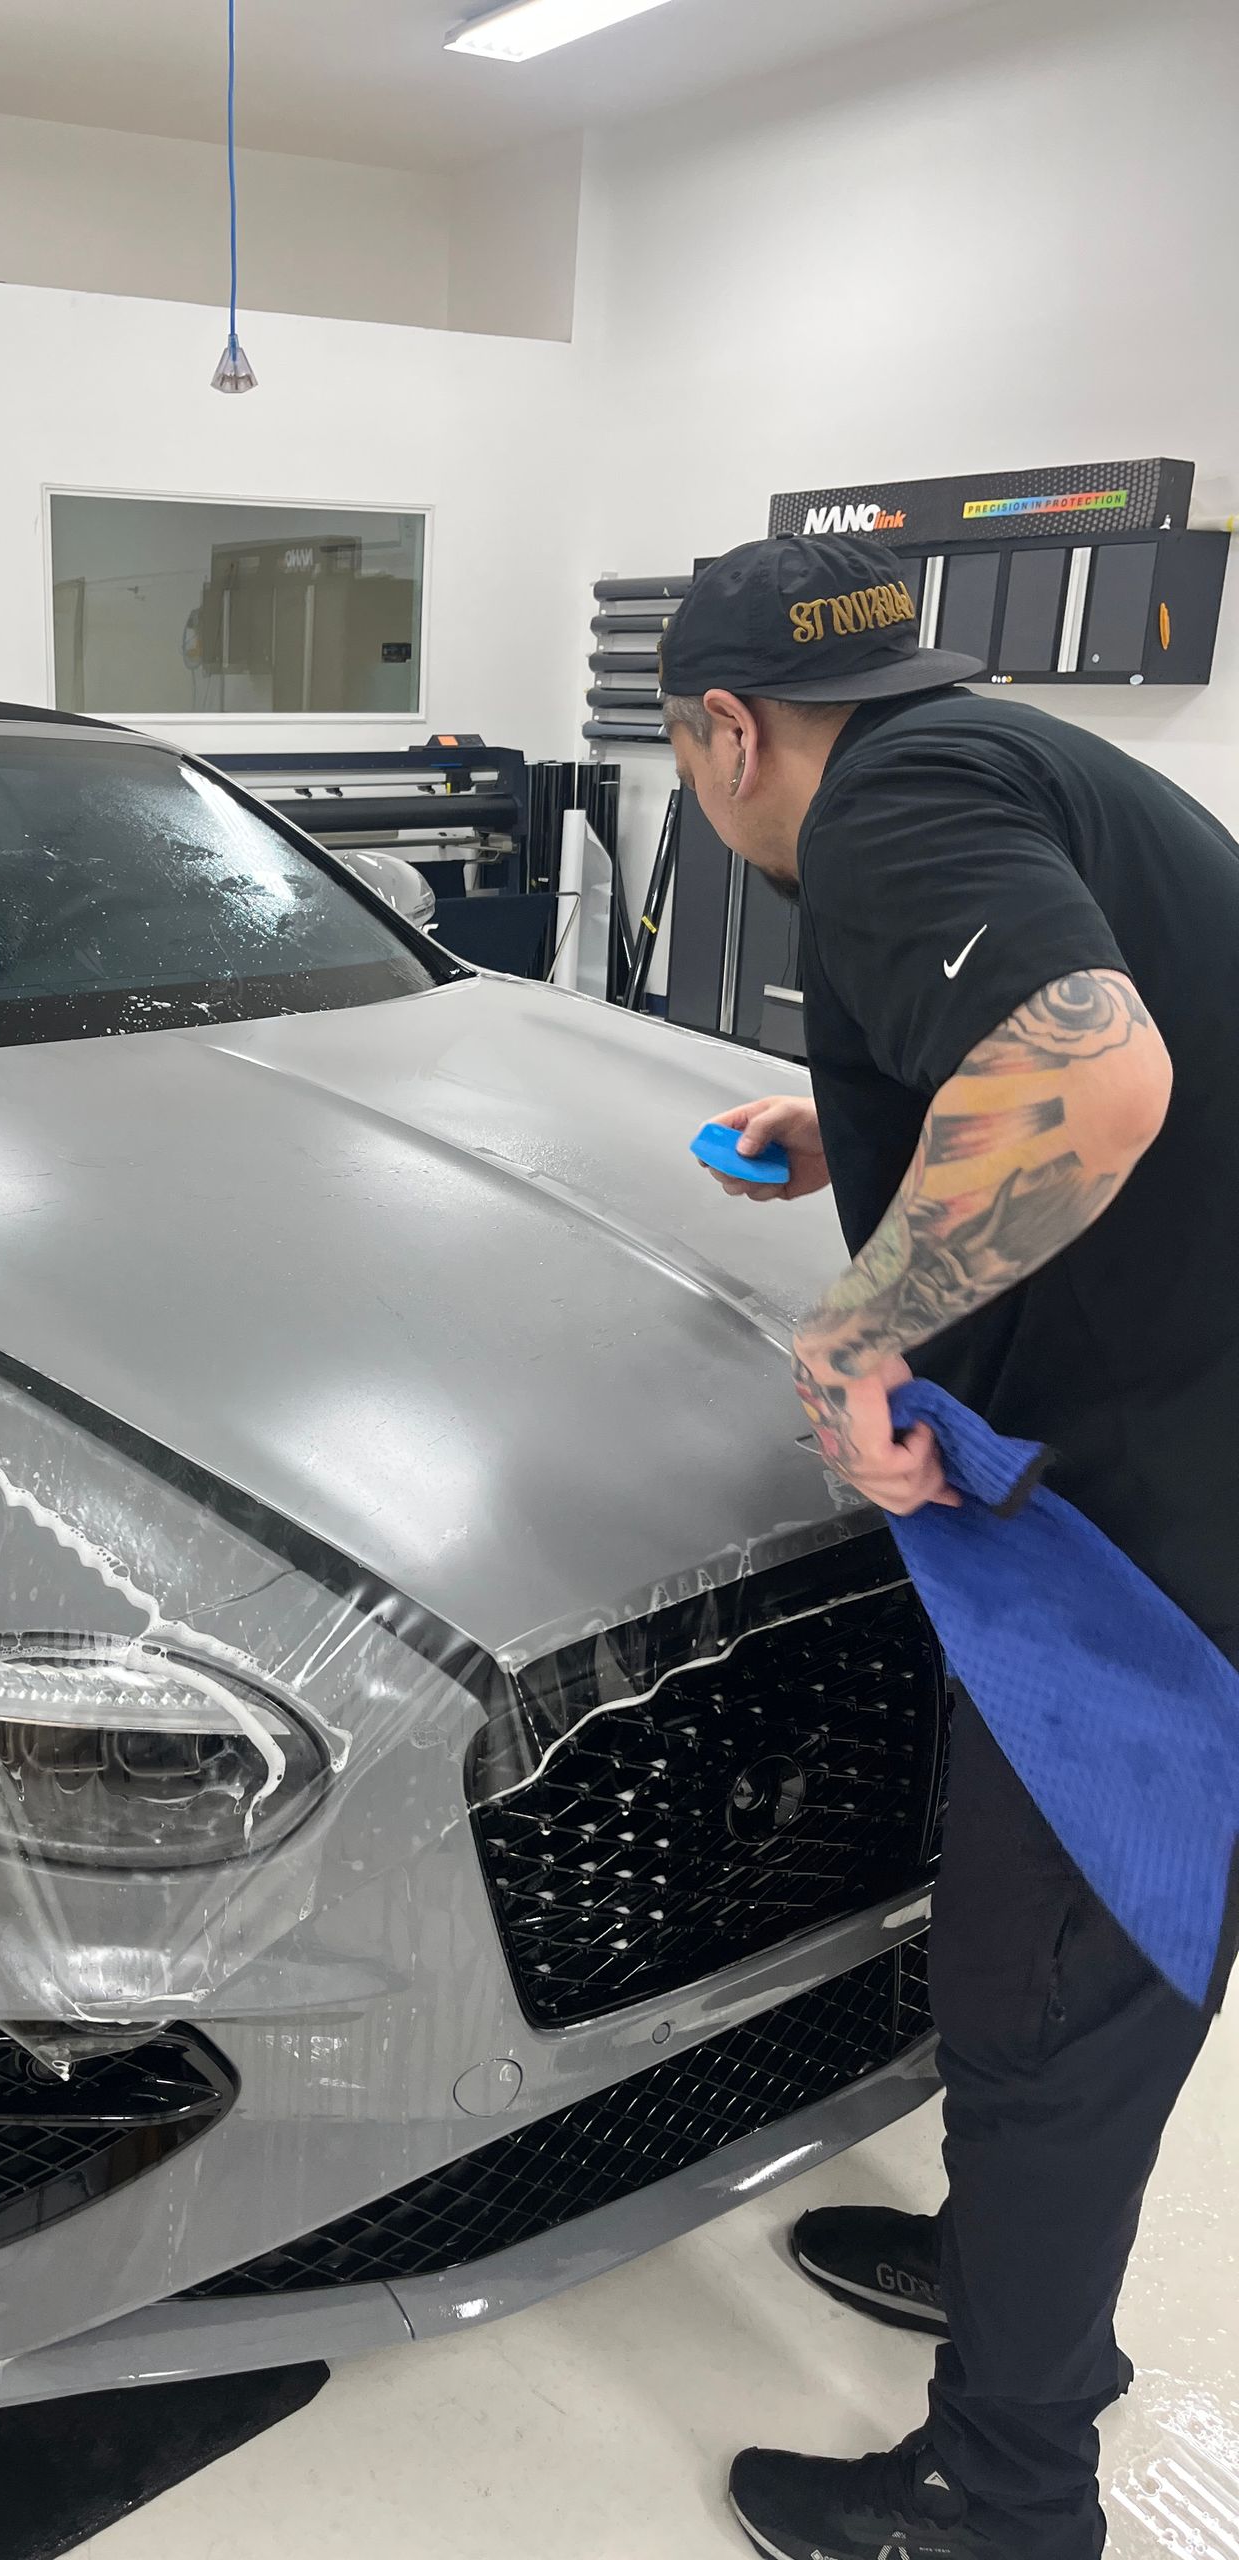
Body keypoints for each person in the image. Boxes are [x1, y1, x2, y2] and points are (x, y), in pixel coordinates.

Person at [656, 533, 1239, 2560]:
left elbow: (1096, 1066)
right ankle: (1015, 2278)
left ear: (728, 731)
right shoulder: (1011, 756)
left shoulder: (888, 809)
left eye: (685, 764)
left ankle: (1006, 2492)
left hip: (1153, 1546)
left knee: (1056, 1991)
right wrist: (863, 1123)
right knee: (1099, 1986)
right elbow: (1102, 1014)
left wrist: (856, 1325)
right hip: (1200, 1438)